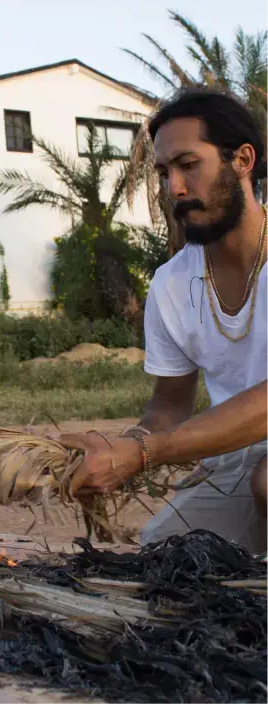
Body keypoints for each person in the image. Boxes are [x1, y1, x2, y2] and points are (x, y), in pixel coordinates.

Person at [60, 89, 268, 554]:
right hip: (236, 456)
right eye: (163, 172)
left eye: (188, 165)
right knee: (167, 556)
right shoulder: (172, 284)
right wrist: (120, 446)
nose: (173, 188)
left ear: (242, 160)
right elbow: (168, 407)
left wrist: (147, 453)